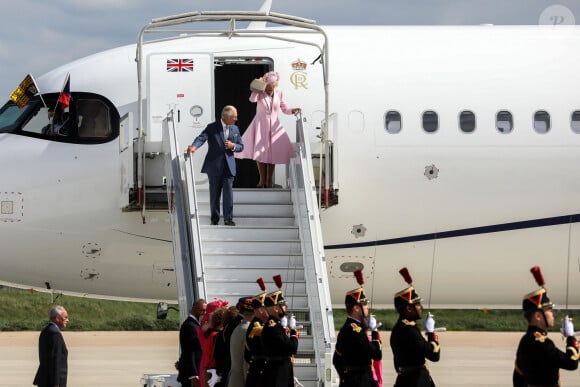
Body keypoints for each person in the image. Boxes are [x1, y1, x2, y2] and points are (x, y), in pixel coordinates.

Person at [513, 266, 579, 386]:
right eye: (549, 310)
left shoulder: (525, 340)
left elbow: (518, 378)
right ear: (538, 316)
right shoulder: (542, 343)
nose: (553, 314)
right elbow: (571, 363)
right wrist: (571, 338)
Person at [235, 71, 300, 188]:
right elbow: (252, 100)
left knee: (272, 153)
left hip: (274, 126)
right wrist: (259, 84)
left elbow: (284, 109)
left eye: (273, 86)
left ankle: (269, 180)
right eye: (269, 86)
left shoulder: (279, 92)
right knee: (259, 152)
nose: (270, 89)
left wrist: (292, 110)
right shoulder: (259, 92)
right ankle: (261, 180)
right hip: (260, 125)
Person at [188, 105, 243, 226]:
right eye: (234, 117)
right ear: (226, 117)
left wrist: (233, 146)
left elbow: (241, 146)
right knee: (214, 195)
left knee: (228, 195)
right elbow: (201, 138)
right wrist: (194, 146)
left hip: (229, 167)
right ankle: (214, 219)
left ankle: (228, 219)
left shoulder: (235, 129)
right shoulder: (212, 127)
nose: (236, 119)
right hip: (214, 167)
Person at [389, 268, 440, 387]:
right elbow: (434, 355)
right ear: (408, 308)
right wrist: (431, 332)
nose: (421, 307)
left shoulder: (400, 327)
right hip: (416, 381)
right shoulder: (409, 330)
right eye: (417, 304)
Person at [333, 270, 382, 387]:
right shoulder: (356, 331)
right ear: (356, 308)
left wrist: (345, 378)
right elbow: (376, 354)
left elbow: (336, 360)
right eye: (364, 304)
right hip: (361, 381)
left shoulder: (347, 328)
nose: (367, 307)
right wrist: (374, 332)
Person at [260, 279, 299, 387]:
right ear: (276, 309)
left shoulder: (275, 325)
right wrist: (293, 331)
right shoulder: (274, 327)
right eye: (283, 305)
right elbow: (292, 348)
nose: (286, 307)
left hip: (279, 370)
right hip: (278, 373)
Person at [33, 305, 69, 387]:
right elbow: (55, 359)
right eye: (65, 317)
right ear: (57, 318)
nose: (67, 320)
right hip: (52, 381)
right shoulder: (55, 333)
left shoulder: (46, 330)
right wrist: (56, 383)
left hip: (45, 379)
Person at [245, 278, 270, 387]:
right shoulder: (257, 327)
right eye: (268, 308)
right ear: (260, 310)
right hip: (261, 372)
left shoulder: (263, 324)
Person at [178, 299, 207, 387]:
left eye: (205, 310)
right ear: (193, 309)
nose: (204, 313)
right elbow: (190, 352)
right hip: (191, 375)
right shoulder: (190, 326)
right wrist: (193, 375)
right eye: (201, 310)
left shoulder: (195, 324)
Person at [227, 297, 254, 387]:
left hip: (235, 379)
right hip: (242, 381)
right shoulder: (248, 331)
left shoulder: (240, 327)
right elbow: (246, 364)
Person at [213, 305, 240, 387]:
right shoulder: (236, 332)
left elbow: (216, 355)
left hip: (223, 372)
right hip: (233, 372)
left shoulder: (220, 334)